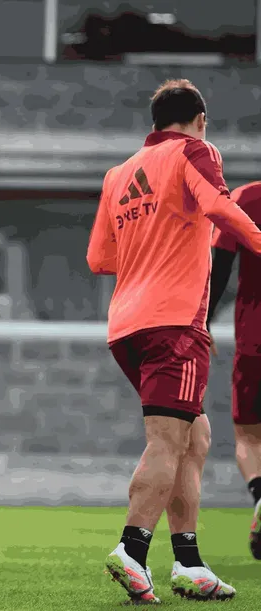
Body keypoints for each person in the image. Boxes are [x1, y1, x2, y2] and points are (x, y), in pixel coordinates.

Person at [87, 78, 261, 603]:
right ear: (199, 120)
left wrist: (152, 246)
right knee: (168, 440)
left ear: (154, 122)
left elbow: (99, 259)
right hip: (175, 323)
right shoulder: (195, 150)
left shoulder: (118, 174)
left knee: (195, 436)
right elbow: (220, 207)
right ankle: (131, 550)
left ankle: (188, 563)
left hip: (126, 326)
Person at [206, 180, 261, 560]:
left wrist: (203, 319)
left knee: (248, 437)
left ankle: (260, 495)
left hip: (254, 337)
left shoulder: (245, 199)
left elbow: (219, 265)